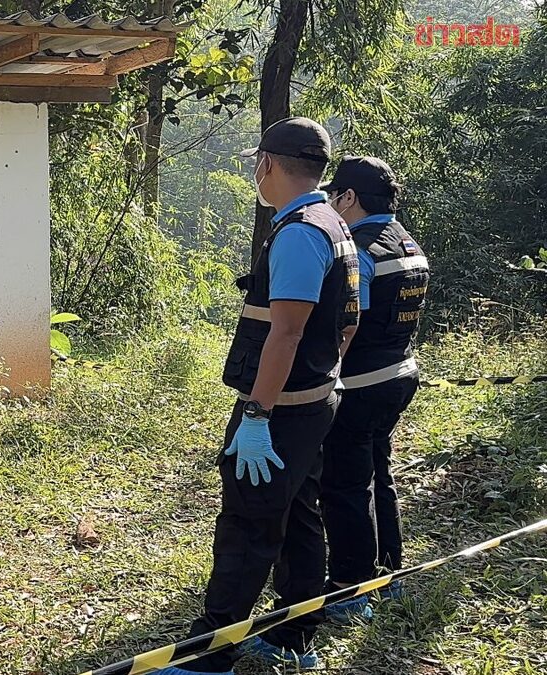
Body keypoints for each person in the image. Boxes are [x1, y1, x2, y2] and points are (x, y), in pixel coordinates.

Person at [158, 117, 359, 675]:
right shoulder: (333, 223)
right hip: (313, 402)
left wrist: (256, 414)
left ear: (267, 164)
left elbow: (287, 332)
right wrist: (325, 378)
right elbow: (349, 319)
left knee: (248, 524)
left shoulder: (298, 233)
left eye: (256, 163)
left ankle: (210, 655)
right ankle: (295, 636)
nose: (255, 171)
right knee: (298, 515)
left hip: (280, 412)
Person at [319, 157, 429, 622]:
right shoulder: (409, 244)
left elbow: (349, 324)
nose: (329, 204)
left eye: (333, 195)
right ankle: (388, 572)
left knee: (343, 484)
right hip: (400, 375)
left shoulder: (360, 250)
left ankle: (348, 587)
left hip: (361, 384)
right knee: (377, 473)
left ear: (349, 198)